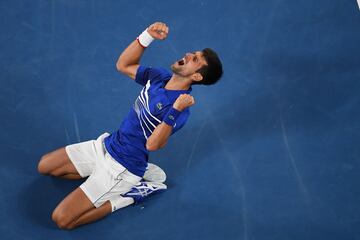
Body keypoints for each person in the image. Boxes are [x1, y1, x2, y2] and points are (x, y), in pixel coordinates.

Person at [37, 22, 223, 230]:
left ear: (196, 77)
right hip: (108, 145)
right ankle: (102, 181)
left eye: (195, 59)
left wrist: (175, 111)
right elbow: (123, 66)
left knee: (62, 219)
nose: (188, 54)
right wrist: (146, 37)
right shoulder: (159, 77)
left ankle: (127, 195)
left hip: (123, 168)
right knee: (45, 166)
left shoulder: (180, 109)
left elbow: (153, 145)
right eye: (193, 53)